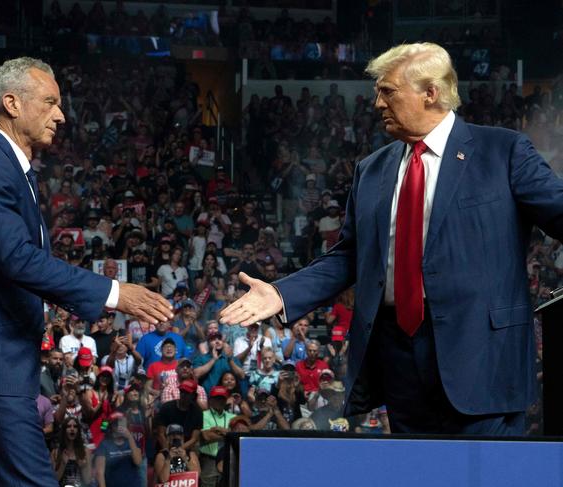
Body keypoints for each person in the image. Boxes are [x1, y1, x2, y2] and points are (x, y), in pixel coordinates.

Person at [221, 42, 563, 435]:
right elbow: (349, 256)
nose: (377, 103)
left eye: (387, 91)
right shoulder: (372, 169)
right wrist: (283, 294)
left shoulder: (502, 151)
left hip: (483, 361)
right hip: (400, 365)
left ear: (430, 92)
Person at [0, 57, 174, 486]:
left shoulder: (10, 169)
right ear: (12, 103)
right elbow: (16, 258)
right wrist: (114, 292)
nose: (61, 114)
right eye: (50, 102)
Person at [94, 412, 143, 487]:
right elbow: (99, 473)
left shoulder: (132, 442)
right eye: (115, 424)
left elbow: (138, 462)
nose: (119, 427)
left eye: (121, 423)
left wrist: (130, 437)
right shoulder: (104, 444)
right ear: (111, 427)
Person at [199, 386, 235, 487]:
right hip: (209, 460)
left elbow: (237, 435)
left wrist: (219, 430)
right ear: (210, 400)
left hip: (228, 460)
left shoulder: (232, 417)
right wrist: (229, 433)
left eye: (222, 398)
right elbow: (206, 436)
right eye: (217, 398)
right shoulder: (203, 415)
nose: (220, 401)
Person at [50, 416, 92, 487]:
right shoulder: (56, 452)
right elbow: (53, 480)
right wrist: (63, 463)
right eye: (69, 426)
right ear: (64, 430)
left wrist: (83, 466)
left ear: (78, 431)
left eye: (75, 426)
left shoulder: (85, 451)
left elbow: (88, 481)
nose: (72, 429)